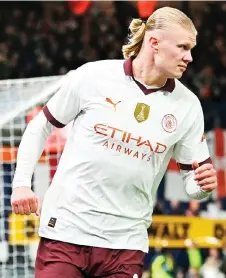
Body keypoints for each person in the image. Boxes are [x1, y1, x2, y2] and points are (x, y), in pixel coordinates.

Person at [11, 6, 217, 278]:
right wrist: (22, 184)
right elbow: (40, 126)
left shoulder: (188, 106)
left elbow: (193, 184)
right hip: (66, 232)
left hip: (125, 245)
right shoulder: (93, 76)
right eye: (183, 47)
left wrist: (203, 186)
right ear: (154, 42)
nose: (189, 57)